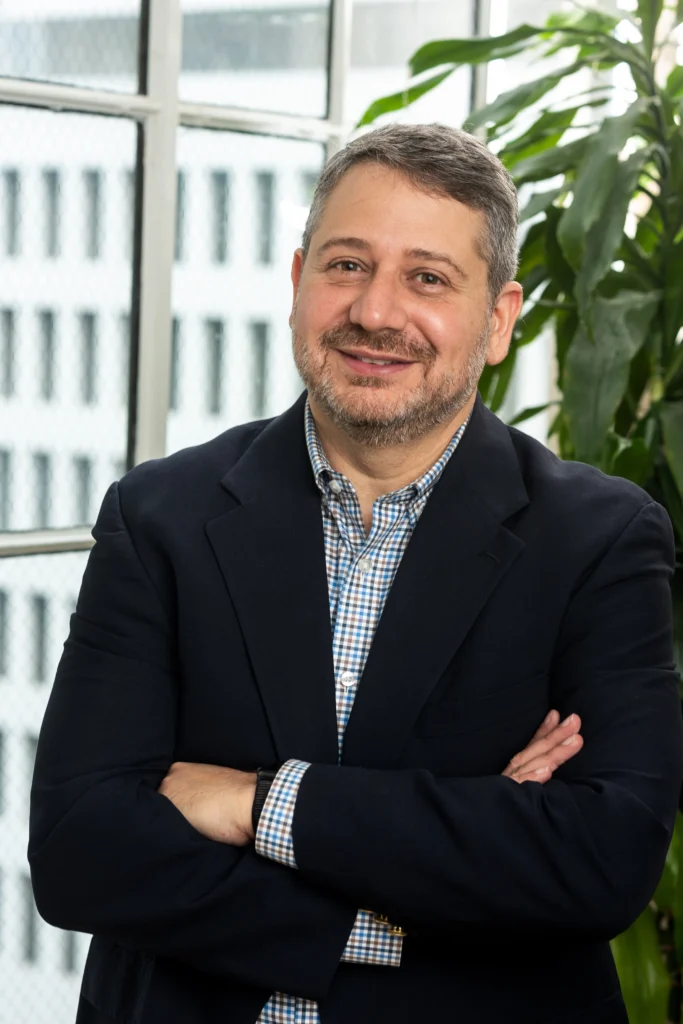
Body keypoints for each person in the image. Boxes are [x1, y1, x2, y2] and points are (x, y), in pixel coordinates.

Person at [29, 123, 683, 1024]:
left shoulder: (600, 539)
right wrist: (434, 875)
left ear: (497, 321)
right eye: (345, 265)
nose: (375, 312)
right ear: (298, 281)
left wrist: (259, 803)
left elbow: (597, 863)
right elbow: (79, 851)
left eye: (426, 278)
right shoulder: (160, 518)